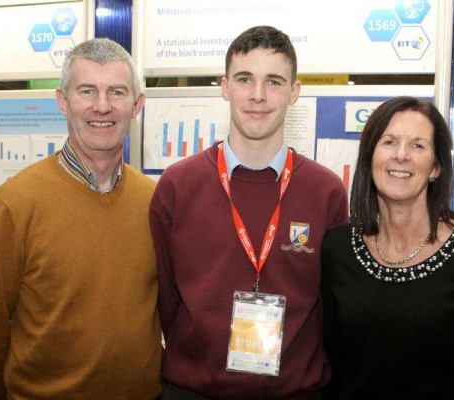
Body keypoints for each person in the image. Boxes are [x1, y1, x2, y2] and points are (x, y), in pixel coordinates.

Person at [149, 25, 348, 399]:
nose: (258, 96)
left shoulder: (326, 192)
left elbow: (331, 310)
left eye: (273, 81)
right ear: (225, 87)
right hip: (193, 391)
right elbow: (165, 299)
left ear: (294, 93)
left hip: (295, 393)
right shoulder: (177, 186)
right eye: (245, 79)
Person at [0, 38, 163, 400]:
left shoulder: (155, 202)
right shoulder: (13, 206)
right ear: (62, 101)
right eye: (87, 91)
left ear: (137, 105)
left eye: (116, 91)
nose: (102, 106)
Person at [321, 96, 454, 399]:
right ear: (370, 156)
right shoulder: (338, 247)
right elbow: (330, 368)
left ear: (436, 167)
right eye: (389, 142)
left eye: (418, 145)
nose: (401, 155)